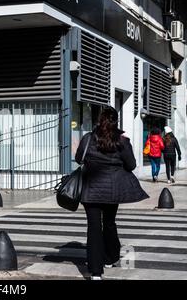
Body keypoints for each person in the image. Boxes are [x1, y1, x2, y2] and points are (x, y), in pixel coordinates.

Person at [75, 106, 149, 280]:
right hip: (112, 190)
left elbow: (79, 159)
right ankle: (111, 257)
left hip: (91, 189)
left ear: (99, 120)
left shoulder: (88, 138)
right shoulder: (121, 141)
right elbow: (131, 165)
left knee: (93, 228)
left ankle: (95, 272)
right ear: (116, 121)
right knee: (109, 223)